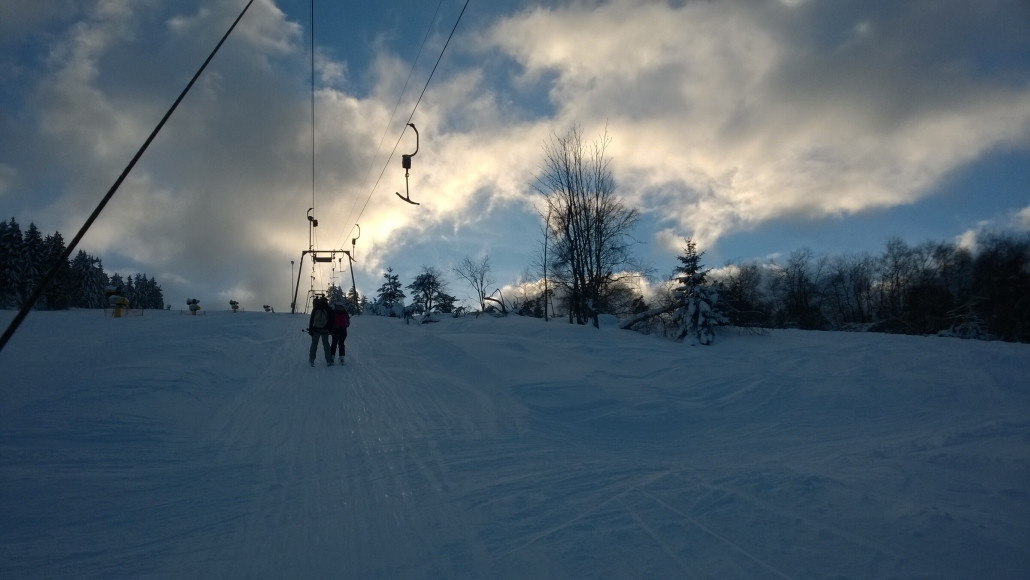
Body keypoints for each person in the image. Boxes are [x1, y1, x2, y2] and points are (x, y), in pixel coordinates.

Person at [308, 296, 333, 366]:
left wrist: (310, 328)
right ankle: (328, 360)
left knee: (314, 344)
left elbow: (312, 319)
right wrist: (330, 329)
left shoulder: (316, 308)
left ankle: (311, 360)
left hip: (316, 329)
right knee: (326, 344)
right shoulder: (328, 308)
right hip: (325, 330)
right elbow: (331, 320)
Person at [329, 298, 351, 365]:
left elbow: (330, 321)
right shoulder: (345, 312)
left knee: (334, 343)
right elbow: (348, 323)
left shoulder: (333, 312)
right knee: (341, 343)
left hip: (335, 330)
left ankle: (332, 357)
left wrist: (330, 329)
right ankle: (342, 358)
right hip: (343, 331)